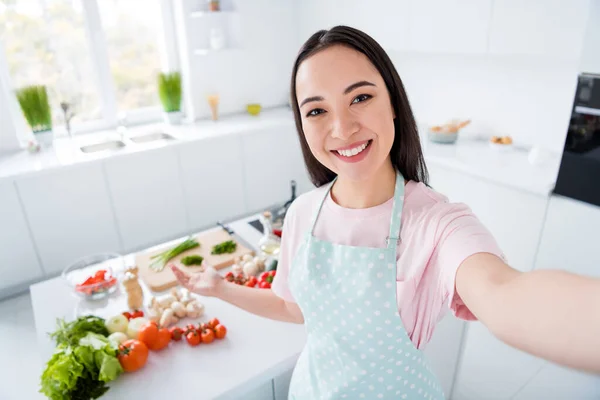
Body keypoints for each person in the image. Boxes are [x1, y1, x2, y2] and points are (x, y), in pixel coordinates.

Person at [172, 26, 600, 399]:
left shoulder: (435, 222)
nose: (342, 128)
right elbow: (295, 310)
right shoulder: (305, 212)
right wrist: (222, 288)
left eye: (359, 97)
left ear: (393, 102)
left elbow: (505, 296)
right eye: (317, 110)